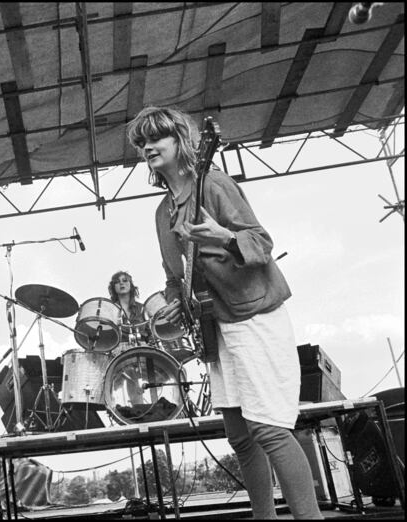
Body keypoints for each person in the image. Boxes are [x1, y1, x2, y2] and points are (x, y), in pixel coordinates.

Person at [126, 106, 323, 519]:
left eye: (156, 138)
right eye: (142, 143)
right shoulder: (163, 214)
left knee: (269, 428)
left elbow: (260, 242)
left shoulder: (213, 183)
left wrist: (225, 236)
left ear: (181, 141)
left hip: (253, 315)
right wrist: (171, 306)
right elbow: (174, 275)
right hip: (215, 325)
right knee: (240, 436)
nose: (147, 147)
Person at [107, 270, 146, 346]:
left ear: (131, 285)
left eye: (125, 280)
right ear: (113, 287)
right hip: (119, 353)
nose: (121, 283)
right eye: (117, 282)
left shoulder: (142, 308)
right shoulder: (110, 310)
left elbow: (151, 334)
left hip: (144, 350)